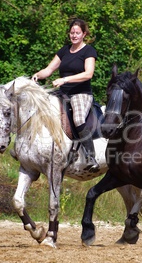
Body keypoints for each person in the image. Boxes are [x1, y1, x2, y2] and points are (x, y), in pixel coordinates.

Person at [32, 18, 99, 172]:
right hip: (62, 93)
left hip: (80, 93)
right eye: (72, 32)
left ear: (84, 34)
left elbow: (88, 74)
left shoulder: (89, 51)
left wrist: (65, 79)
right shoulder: (64, 50)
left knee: (78, 118)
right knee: (39, 108)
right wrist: (37, 75)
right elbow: (49, 70)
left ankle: (90, 156)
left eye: (77, 33)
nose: (74, 35)